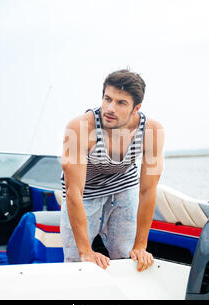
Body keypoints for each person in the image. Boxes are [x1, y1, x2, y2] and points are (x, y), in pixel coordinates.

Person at [60, 69, 164, 272]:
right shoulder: (80, 128)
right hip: (86, 191)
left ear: (137, 108)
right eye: (107, 99)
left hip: (123, 186)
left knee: (127, 257)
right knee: (76, 262)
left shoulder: (151, 131)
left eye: (121, 103)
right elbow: (74, 192)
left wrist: (141, 246)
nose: (110, 108)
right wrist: (85, 251)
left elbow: (148, 191)